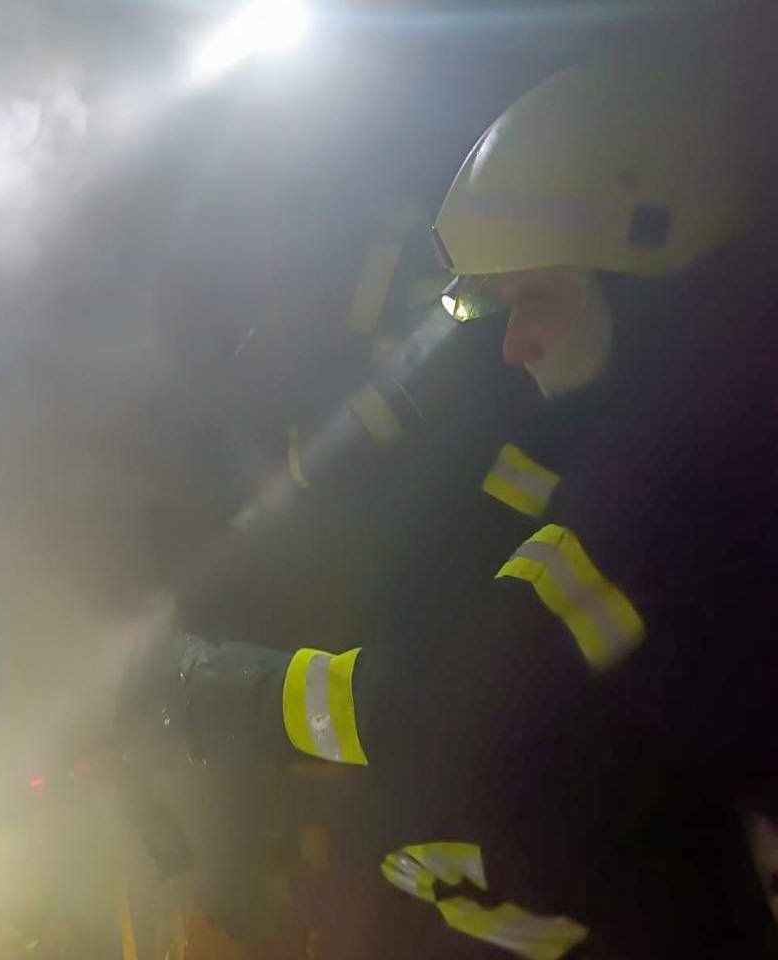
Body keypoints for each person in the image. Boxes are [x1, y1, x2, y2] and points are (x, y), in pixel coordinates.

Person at [120, 47, 778, 958]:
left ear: (648, 288)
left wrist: (213, 686)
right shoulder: (637, 442)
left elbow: (450, 702)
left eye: (537, 300)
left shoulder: (674, 500)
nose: (514, 344)